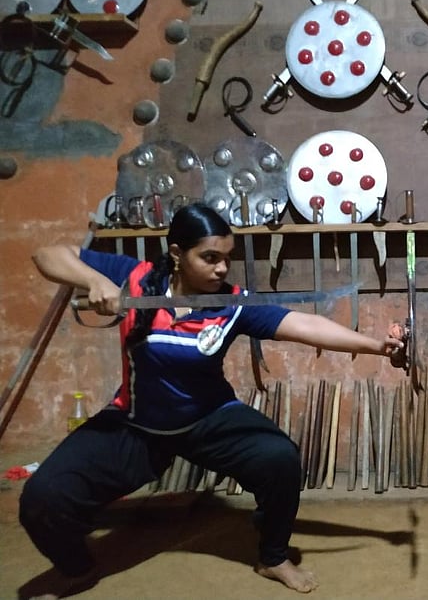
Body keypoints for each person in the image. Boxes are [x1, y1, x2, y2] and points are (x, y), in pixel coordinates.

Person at [20, 203, 405, 597]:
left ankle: (272, 557)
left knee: (279, 458)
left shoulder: (232, 302)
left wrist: (377, 345)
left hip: (209, 418)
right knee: (42, 498)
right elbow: (48, 255)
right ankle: (77, 567)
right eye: (209, 258)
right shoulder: (134, 279)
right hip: (138, 421)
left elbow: (305, 325)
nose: (222, 269)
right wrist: (94, 280)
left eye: (226, 259)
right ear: (176, 254)